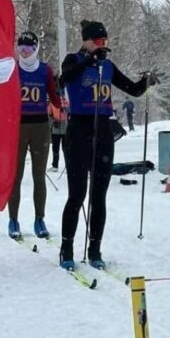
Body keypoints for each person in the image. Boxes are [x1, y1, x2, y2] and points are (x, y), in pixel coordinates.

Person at [58, 19, 148, 270]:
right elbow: (63, 79)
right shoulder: (73, 60)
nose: (102, 46)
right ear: (86, 41)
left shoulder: (107, 66)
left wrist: (146, 82)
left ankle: (95, 249)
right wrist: (89, 60)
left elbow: (133, 89)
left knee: (99, 195)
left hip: (103, 130)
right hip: (79, 129)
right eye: (97, 41)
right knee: (77, 194)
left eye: (105, 42)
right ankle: (66, 248)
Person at [8, 31, 62, 239]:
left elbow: (54, 97)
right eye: (21, 48)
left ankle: (40, 219)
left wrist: (60, 92)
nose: (24, 52)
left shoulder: (44, 70)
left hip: (40, 126)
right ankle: (13, 219)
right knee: (16, 176)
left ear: (36, 49)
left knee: (39, 176)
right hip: (18, 126)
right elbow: (4, 94)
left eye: (29, 48)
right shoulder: (13, 69)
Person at [49, 87, 67, 172]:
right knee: (55, 147)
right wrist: (53, 121)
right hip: (56, 128)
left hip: (65, 128)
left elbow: (70, 113)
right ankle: (55, 165)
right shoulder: (52, 103)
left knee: (66, 148)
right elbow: (49, 114)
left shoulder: (66, 102)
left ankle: (68, 165)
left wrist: (65, 110)